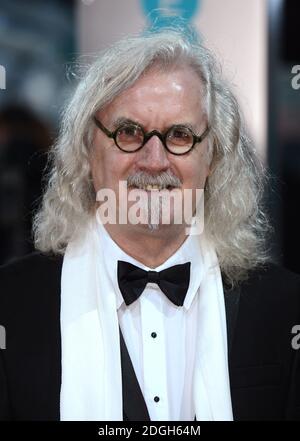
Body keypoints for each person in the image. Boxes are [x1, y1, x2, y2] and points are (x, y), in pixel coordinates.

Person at [0, 28, 300, 422]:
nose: (154, 161)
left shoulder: (285, 305)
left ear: (212, 157)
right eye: (129, 132)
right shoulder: (10, 304)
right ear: (89, 151)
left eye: (179, 135)